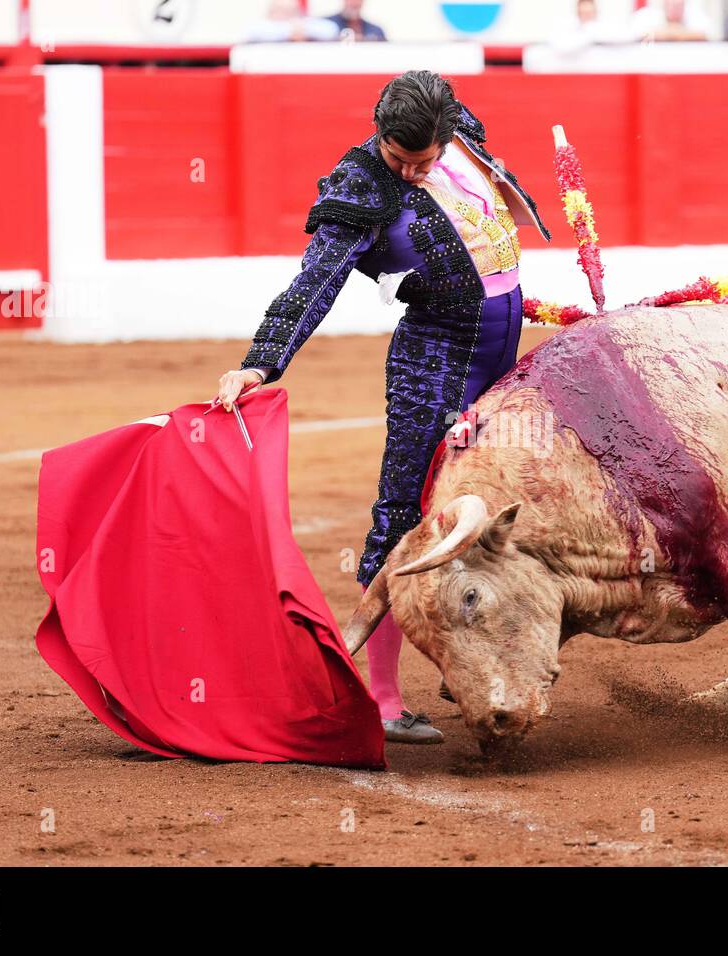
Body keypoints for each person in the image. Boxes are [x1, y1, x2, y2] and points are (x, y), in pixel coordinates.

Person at [215, 71, 551, 744]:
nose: (411, 171)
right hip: (433, 362)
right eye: (400, 159)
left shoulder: (462, 132)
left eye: (422, 160)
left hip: (503, 357)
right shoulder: (361, 184)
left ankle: (485, 666)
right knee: (404, 512)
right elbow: (316, 279)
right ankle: (385, 696)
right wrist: (262, 359)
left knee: (498, 511)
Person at [244, 0, 340, 42]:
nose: (285, 16)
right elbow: (252, 32)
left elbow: (331, 30)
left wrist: (303, 29)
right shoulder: (260, 27)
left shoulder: (306, 24)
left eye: (291, 11)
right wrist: (290, 30)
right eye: (281, 11)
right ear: (271, 13)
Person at [630, 0, 716, 41]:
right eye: (671, 4)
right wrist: (680, 32)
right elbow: (640, 34)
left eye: (678, 5)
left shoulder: (695, 14)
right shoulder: (647, 14)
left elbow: (707, 34)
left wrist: (665, 33)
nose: (675, 8)